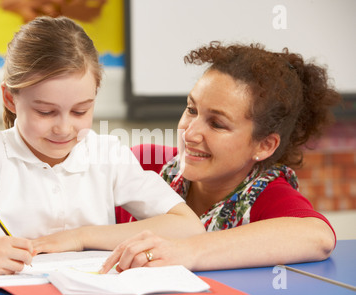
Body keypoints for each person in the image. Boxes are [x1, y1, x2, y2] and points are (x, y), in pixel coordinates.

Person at [0, 17, 203, 274]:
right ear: (10, 99)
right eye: (45, 112)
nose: (64, 128)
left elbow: (188, 227)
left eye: (80, 111)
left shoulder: (107, 155)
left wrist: (82, 237)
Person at [101, 42, 341, 273]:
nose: (190, 133)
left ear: (264, 145)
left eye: (217, 124)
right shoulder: (145, 162)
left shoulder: (270, 196)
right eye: (191, 110)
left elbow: (318, 236)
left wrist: (185, 251)